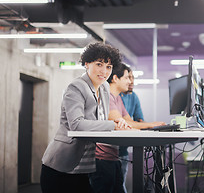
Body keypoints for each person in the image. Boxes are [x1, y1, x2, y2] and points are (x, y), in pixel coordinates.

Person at [40, 42, 126, 193]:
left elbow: (99, 122)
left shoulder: (104, 87)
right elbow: (77, 125)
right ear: (87, 64)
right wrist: (112, 125)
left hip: (84, 167)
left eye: (108, 67)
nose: (104, 71)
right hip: (61, 167)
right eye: (99, 64)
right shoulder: (76, 87)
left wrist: (115, 122)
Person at [89, 63, 165, 193]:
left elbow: (128, 121)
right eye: (126, 78)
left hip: (113, 157)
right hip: (101, 158)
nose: (130, 82)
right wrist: (151, 125)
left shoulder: (117, 98)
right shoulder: (106, 97)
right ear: (115, 79)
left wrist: (150, 125)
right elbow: (122, 123)